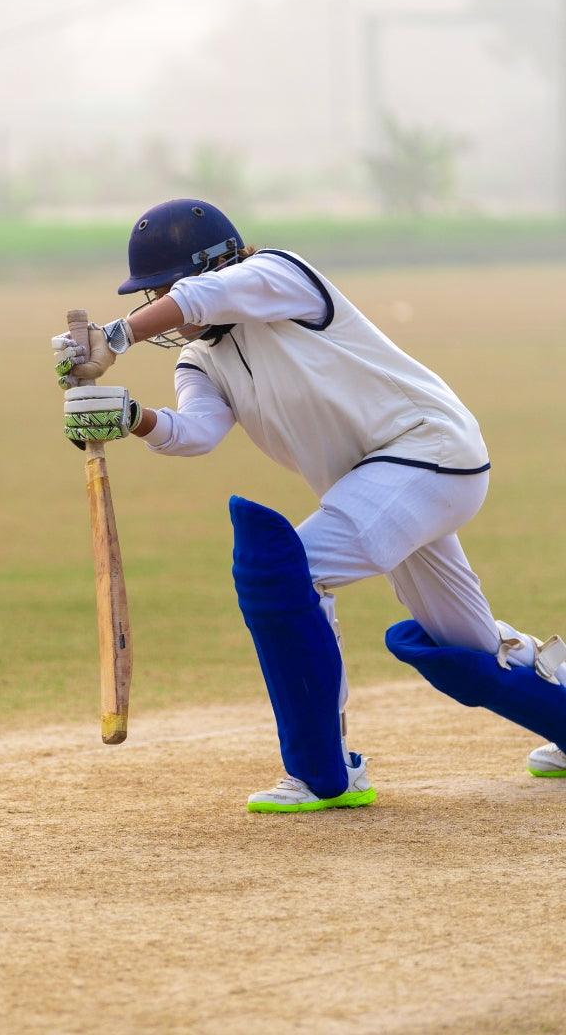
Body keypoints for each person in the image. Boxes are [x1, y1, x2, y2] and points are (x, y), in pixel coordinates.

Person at [51, 197, 566, 813]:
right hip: (378, 484)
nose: (157, 307)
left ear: (207, 268)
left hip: (429, 451)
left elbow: (203, 299)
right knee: (467, 646)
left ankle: (324, 769)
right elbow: (195, 434)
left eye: (161, 289)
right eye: (148, 295)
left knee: (288, 575)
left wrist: (114, 335)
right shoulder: (201, 360)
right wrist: (130, 416)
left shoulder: (282, 275)